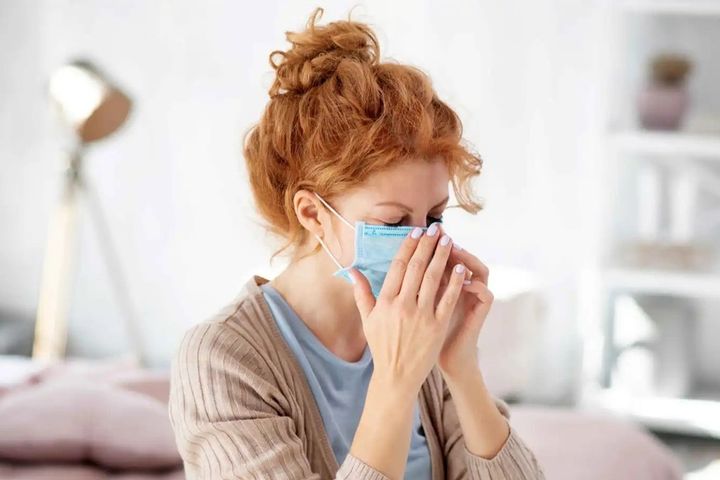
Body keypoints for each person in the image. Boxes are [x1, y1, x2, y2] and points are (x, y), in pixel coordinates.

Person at [168, 7, 545, 480]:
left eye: (433, 217)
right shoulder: (222, 359)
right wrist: (395, 378)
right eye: (393, 221)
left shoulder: (421, 329)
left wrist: (461, 368)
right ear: (313, 214)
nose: (422, 242)